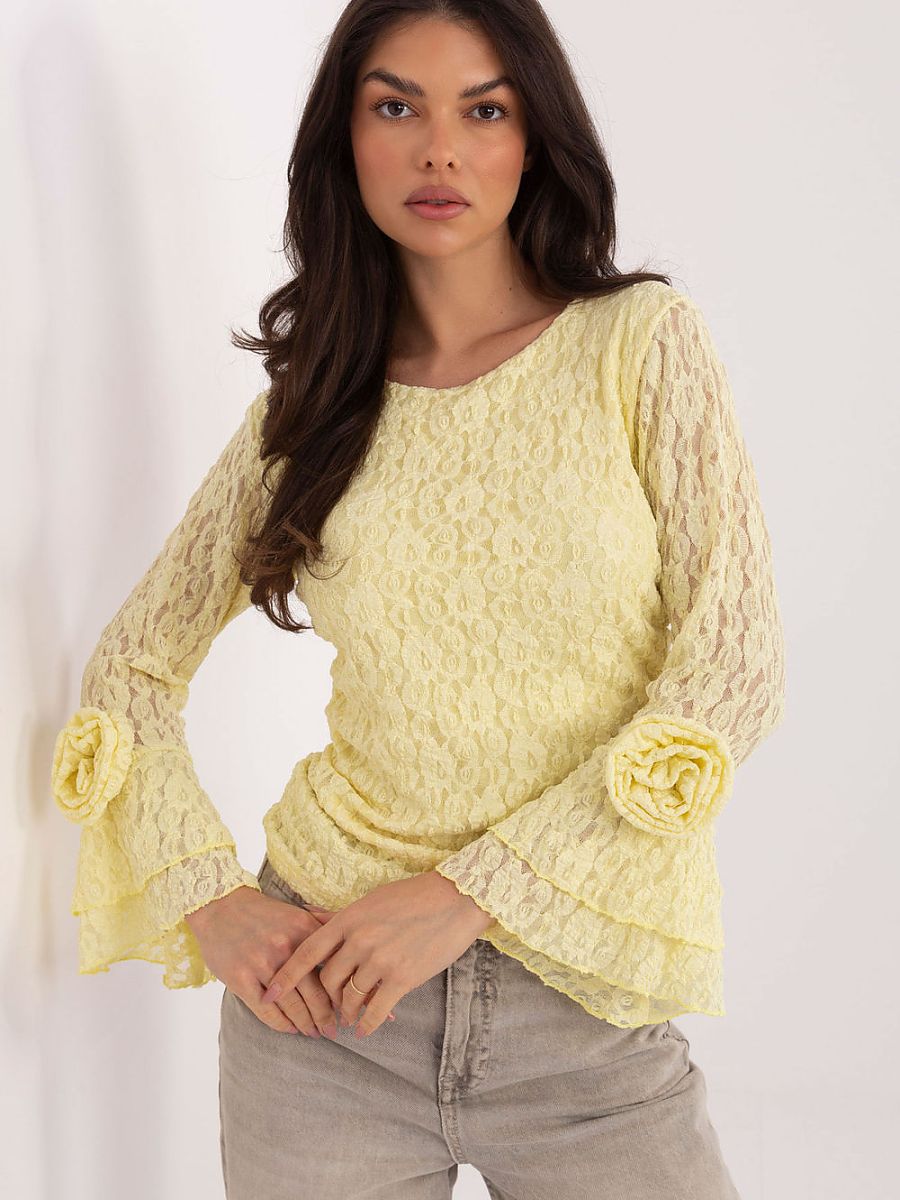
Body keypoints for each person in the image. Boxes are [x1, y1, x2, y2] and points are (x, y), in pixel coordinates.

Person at [49, 1, 786, 1196]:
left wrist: (464, 896)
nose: (439, 150)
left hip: (583, 1019)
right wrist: (208, 899)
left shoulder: (638, 345)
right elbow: (131, 670)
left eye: (483, 110)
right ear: (346, 139)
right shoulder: (313, 405)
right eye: (396, 106)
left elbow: (731, 676)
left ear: (534, 140)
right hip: (319, 1020)